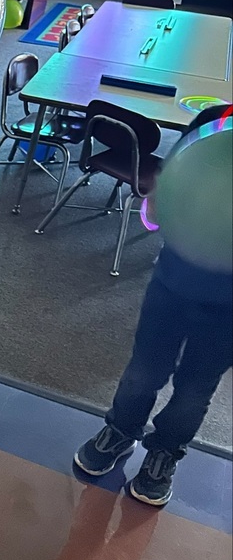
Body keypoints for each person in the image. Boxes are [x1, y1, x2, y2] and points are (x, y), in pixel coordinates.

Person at [74, 104, 232, 506]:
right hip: (172, 284)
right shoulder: (215, 119)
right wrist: (163, 201)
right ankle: (121, 430)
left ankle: (164, 453)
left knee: (195, 389)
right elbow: (173, 184)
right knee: (143, 371)